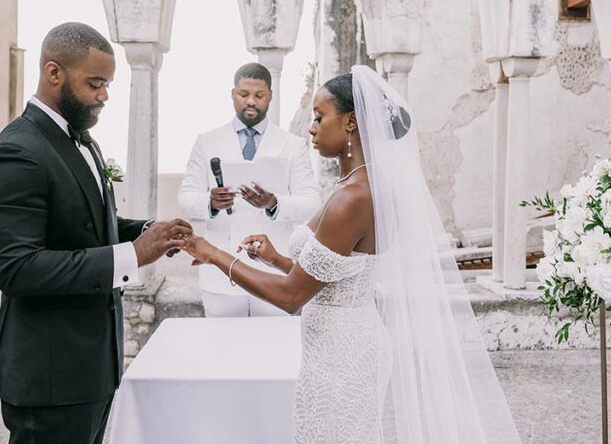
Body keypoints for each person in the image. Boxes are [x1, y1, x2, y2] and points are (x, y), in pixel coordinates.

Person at [183, 66, 522, 443]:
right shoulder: (355, 184)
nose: (312, 128)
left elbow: (292, 296)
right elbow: (330, 271)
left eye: (319, 116)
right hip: (339, 348)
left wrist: (211, 251)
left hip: (343, 356)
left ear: (350, 122)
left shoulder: (353, 198)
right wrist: (275, 258)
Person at [0, 22, 192, 444]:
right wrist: (133, 255)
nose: (104, 96)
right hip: (49, 376)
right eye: (95, 83)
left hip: (91, 367)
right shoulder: (15, 152)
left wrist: (151, 231)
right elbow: (19, 269)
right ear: (54, 73)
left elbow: (89, 226)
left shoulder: (84, 141)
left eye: (108, 84)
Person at [178, 62, 321, 317]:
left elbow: (312, 204)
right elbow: (185, 200)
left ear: (270, 96)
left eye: (259, 95)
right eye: (244, 94)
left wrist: (274, 203)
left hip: (274, 273)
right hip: (220, 276)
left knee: (274, 350)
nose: (251, 101)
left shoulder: (293, 145)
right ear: (233, 94)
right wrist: (210, 203)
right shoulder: (207, 141)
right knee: (223, 351)